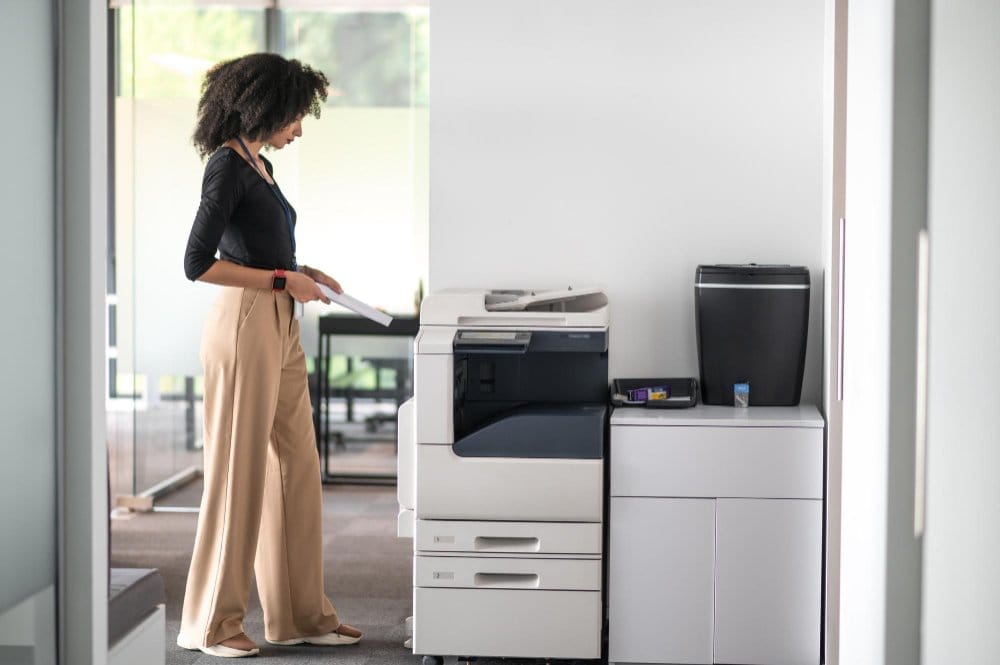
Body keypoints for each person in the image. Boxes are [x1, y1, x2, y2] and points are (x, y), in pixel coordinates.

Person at [177, 52, 363, 659]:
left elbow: (259, 250)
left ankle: (300, 614)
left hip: (280, 322)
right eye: (296, 116)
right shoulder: (225, 168)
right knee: (240, 472)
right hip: (246, 322)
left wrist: (302, 271)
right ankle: (211, 624)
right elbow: (198, 263)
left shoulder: (262, 167)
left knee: (296, 469)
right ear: (267, 106)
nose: (300, 128)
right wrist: (283, 282)